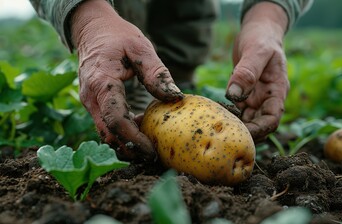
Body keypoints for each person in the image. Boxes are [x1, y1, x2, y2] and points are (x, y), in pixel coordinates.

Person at [30, 0, 313, 162]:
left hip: (183, 30)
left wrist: (268, 19)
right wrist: (90, 20)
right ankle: (127, 85)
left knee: (172, 85)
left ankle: (173, 72)